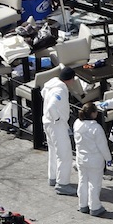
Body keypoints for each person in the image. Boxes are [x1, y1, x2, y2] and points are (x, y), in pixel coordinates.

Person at [73, 102, 112, 216]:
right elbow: (103, 146)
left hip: (81, 157)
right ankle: (95, 207)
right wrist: (108, 158)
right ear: (93, 114)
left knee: (82, 181)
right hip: (94, 159)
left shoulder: (77, 124)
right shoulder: (96, 128)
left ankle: (82, 205)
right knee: (94, 183)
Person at [42, 66, 76, 195]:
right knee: (65, 154)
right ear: (70, 79)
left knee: (53, 151)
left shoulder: (51, 85)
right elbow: (52, 106)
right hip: (57, 124)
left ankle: (53, 177)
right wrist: (57, 118)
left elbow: (43, 94)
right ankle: (62, 184)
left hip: (47, 123)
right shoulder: (60, 90)